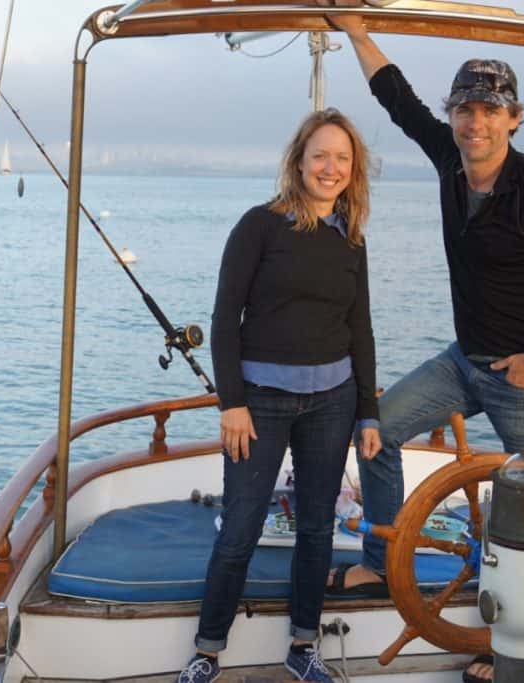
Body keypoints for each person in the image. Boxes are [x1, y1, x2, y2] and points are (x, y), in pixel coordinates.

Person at [325, 10, 524, 683]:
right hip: (465, 359)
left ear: (514, 118)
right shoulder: (450, 162)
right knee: (374, 423)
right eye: (465, 109)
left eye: (489, 110)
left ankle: (513, 642)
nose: (475, 123)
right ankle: (383, 552)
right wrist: (356, 30)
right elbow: (396, 98)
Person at [175, 108, 382, 683]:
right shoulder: (258, 226)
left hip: (333, 402)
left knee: (317, 528)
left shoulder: (352, 240)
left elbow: (360, 328)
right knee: (239, 526)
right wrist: (231, 404)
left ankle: (303, 645)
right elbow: (224, 321)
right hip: (258, 404)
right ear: (298, 161)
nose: (331, 167)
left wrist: (368, 411)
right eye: (321, 155)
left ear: (353, 169)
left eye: (343, 158)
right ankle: (207, 649)